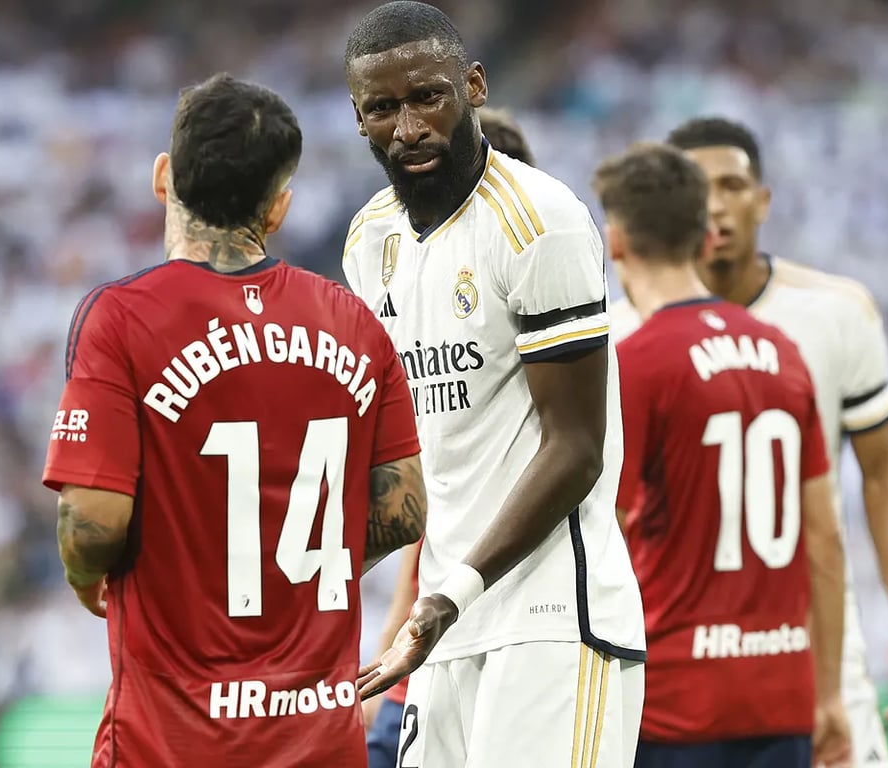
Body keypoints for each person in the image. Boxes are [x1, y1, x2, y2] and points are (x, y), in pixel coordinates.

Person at [40, 74, 428, 768]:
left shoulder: (123, 319)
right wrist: (298, 561)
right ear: (278, 208)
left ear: (164, 177)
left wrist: (82, 580)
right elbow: (403, 510)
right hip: (318, 740)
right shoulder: (354, 324)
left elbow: (92, 523)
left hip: (171, 743)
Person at [342, 3, 646, 766]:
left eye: (427, 97)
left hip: (551, 619)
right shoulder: (369, 240)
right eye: (383, 107)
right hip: (442, 627)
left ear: (472, 86)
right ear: (358, 119)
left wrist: (453, 592)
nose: (407, 126)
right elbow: (409, 463)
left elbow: (576, 450)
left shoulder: (539, 221)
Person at [615, 116, 888, 768]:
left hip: (813, 655)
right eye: (699, 188)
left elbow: (881, 473)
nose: (716, 204)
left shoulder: (836, 312)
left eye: (733, 184)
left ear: (763, 200)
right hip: (678, 667)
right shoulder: (623, 334)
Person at [594, 142, 851, 767]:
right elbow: (824, 538)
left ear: (616, 240)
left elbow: (609, 535)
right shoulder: (783, 352)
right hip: (782, 694)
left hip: (676, 703)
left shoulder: (637, 362)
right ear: (704, 237)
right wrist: (831, 693)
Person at [361, 104, 536, 768]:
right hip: (430, 663)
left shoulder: (560, 363)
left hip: (514, 659)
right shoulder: (431, 335)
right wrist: (387, 651)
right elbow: (428, 524)